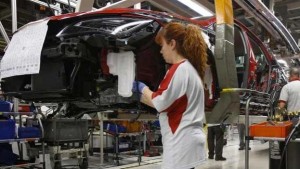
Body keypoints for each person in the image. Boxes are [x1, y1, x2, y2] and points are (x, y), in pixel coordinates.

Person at [132, 22, 207, 169]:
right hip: (188, 140)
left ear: (172, 44)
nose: (161, 51)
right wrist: (137, 96)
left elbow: (160, 101)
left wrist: (142, 87)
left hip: (181, 142)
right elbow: (169, 103)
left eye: (162, 46)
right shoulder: (190, 70)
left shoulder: (179, 69)